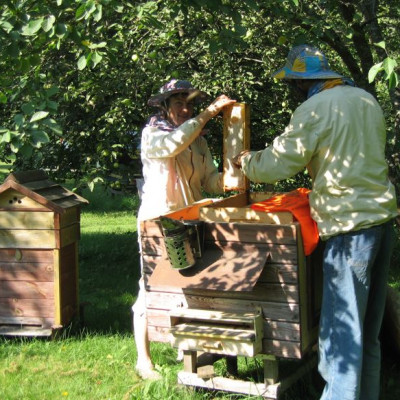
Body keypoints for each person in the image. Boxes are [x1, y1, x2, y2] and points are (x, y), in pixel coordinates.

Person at [233, 45, 398, 400]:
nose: (293, 90)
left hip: (349, 231)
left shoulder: (314, 108)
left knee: (342, 344)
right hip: (381, 223)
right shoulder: (366, 99)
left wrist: (247, 161)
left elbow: (278, 164)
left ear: (303, 81)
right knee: (367, 337)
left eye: (292, 83)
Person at [133, 79, 236, 379]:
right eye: (178, 103)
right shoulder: (153, 134)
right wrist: (207, 113)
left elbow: (209, 181)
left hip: (190, 220)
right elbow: (172, 145)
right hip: (157, 220)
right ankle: (144, 360)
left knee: (189, 283)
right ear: (165, 106)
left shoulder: (199, 142)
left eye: (189, 103)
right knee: (149, 287)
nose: (185, 108)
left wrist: (236, 174)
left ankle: (188, 349)